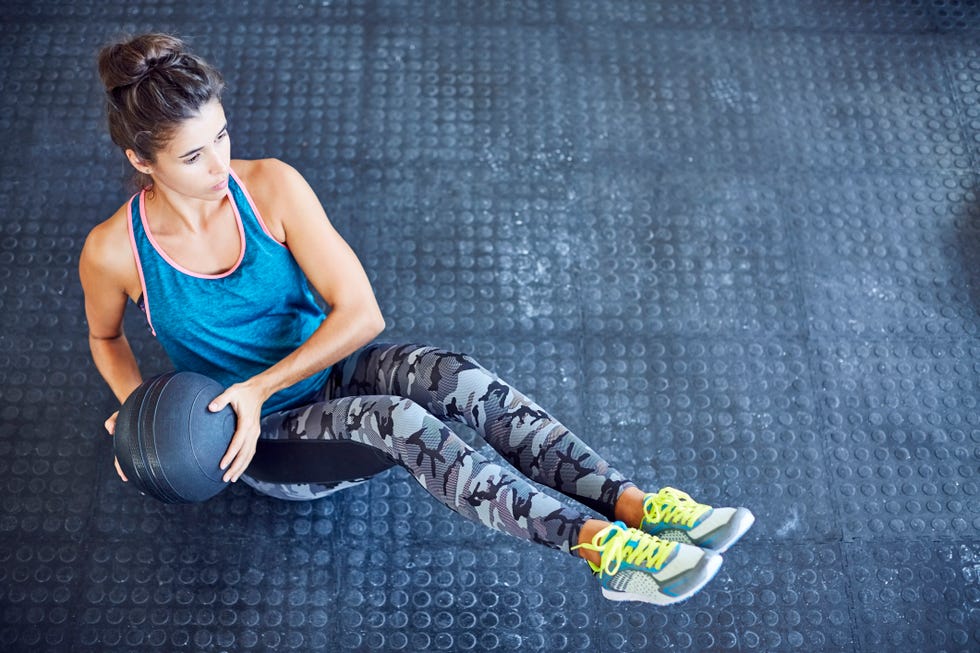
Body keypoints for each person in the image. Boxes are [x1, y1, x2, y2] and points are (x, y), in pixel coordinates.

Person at [80, 33, 754, 606]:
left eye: (222, 136)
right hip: (260, 432)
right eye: (194, 157)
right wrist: (145, 412)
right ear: (143, 160)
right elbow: (105, 336)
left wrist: (261, 381)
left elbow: (361, 312)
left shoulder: (271, 188)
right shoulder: (114, 251)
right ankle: (602, 548)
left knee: (457, 377)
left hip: (327, 363)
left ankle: (633, 503)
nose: (221, 164)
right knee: (404, 423)